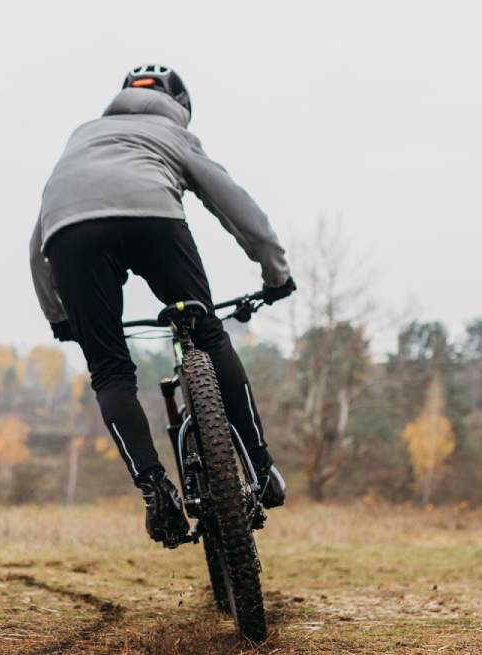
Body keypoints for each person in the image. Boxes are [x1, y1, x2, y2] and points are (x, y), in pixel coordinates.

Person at [29, 64, 295, 544]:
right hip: (153, 218)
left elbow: (41, 233)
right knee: (209, 334)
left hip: (72, 235)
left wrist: (60, 316)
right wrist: (275, 274)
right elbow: (235, 206)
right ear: (182, 107)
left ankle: (155, 489)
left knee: (110, 370)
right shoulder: (171, 133)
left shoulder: (83, 136)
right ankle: (261, 465)